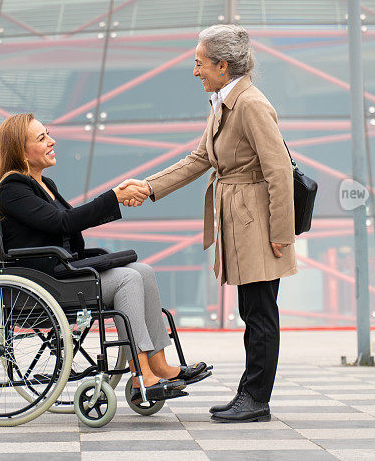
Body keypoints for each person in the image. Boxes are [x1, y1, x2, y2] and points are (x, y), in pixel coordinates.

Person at [120, 24, 296, 422]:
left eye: (199, 63)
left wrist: (281, 234)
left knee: (260, 314)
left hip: (259, 225)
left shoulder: (250, 104)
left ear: (222, 65)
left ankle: (255, 399)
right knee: (252, 311)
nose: (195, 71)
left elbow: (279, 171)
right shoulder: (224, 102)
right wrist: (149, 186)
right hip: (240, 220)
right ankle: (250, 395)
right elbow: (200, 158)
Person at [0, 113, 210, 403]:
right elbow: (62, 223)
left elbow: (66, 223)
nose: (51, 141)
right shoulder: (12, 189)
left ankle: (160, 365)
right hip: (44, 282)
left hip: (60, 273)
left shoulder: (45, 185)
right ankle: (141, 371)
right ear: (20, 150)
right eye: (41, 138)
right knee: (128, 278)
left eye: (48, 134)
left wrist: (113, 199)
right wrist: (114, 196)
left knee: (143, 270)